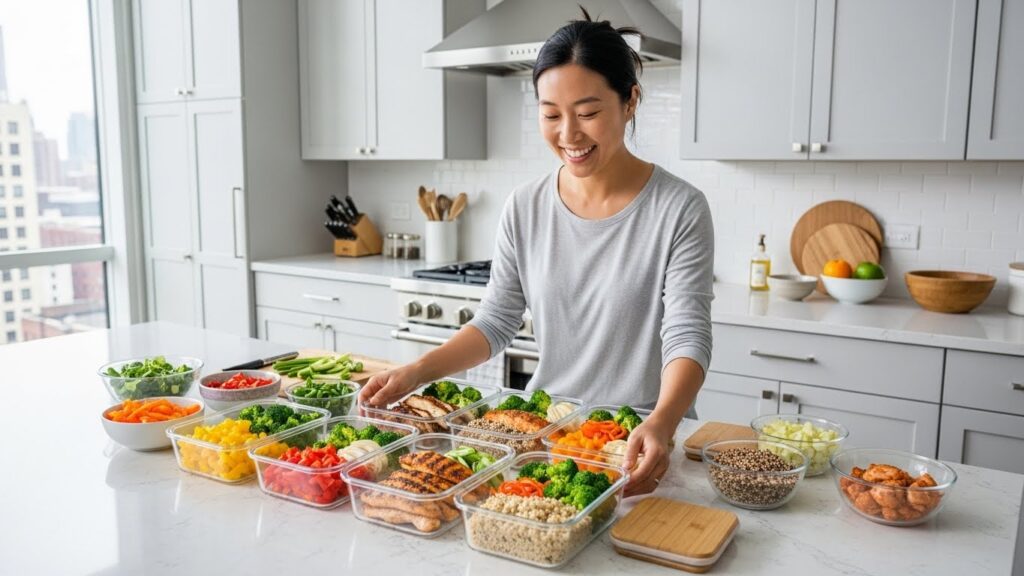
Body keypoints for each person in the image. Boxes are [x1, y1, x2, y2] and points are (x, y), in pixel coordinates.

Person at [360, 9, 714, 497]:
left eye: (588, 113)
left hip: (638, 443)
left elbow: (687, 334)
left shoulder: (679, 207)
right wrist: (416, 371)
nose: (568, 134)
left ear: (630, 101)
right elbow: (496, 321)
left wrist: (663, 421)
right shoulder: (525, 205)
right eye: (551, 115)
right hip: (544, 435)